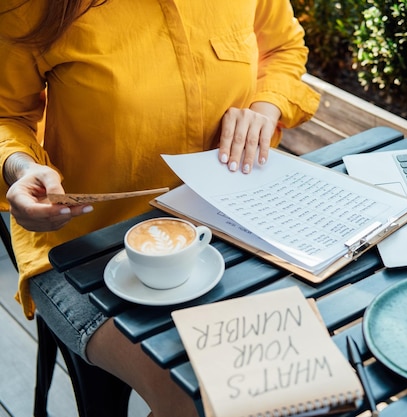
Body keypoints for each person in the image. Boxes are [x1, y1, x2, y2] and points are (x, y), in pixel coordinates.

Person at [0, 0, 320, 416]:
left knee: (300, 380)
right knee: (199, 398)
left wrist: (267, 105)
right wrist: (20, 168)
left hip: (230, 226)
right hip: (83, 253)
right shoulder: (30, 6)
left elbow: (284, 48)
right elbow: (6, 114)